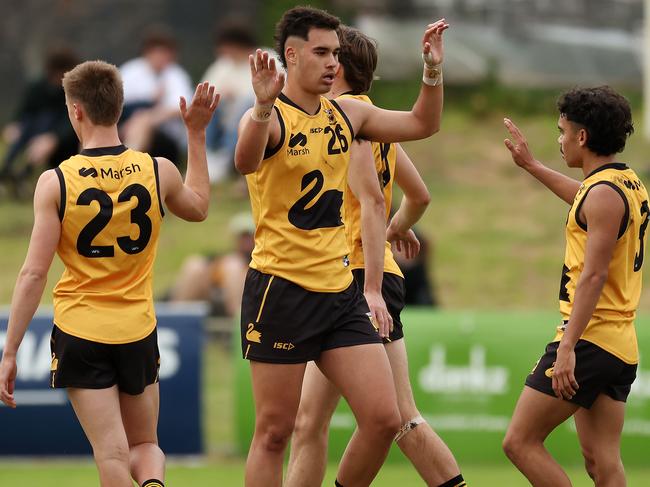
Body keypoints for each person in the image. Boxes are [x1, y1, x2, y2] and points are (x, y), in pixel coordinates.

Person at [234, 6, 448, 487]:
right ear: (291, 54)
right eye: (322, 52)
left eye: (336, 53)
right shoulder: (270, 115)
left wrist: (432, 69)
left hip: (339, 291)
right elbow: (245, 161)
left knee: (385, 418)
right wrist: (262, 105)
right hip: (281, 289)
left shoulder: (347, 113)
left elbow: (422, 123)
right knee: (275, 432)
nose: (333, 62)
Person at [0, 60, 219, 487]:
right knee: (144, 445)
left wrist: (10, 351)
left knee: (112, 452)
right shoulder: (158, 170)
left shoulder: (56, 182)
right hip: (137, 329)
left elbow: (32, 275)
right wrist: (196, 133)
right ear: (119, 108)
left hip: (81, 331)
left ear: (75, 111)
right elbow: (199, 207)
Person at [285, 25, 465, 487]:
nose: (322, 61)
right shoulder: (372, 118)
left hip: (358, 277)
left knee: (398, 419)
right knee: (309, 421)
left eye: (328, 54)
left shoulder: (344, 117)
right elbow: (419, 196)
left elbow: (372, 199)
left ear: (338, 66)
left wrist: (375, 255)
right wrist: (396, 231)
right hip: (358, 272)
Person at [501, 86, 645, 486]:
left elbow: (594, 276)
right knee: (602, 463)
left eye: (562, 131)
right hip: (619, 343)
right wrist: (532, 166)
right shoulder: (625, 182)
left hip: (589, 340)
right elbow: (585, 200)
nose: (560, 139)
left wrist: (567, 347)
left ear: (582, 136)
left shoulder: (601, 194)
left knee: (520, 442)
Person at [0, 45, 80, 195]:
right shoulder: (37, 87)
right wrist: (15, 125)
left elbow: (72, 122)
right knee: (32, 124)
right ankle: (8, 172)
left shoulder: (75, 91)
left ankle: (24, 174)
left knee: (46, 121)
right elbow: (25, 111)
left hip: (64, 143)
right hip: (34, 131)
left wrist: (53, 139)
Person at [119, 27, 194, 163]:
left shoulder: (176, 75)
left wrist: (148, 118)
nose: (160, 57)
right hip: (124, 127)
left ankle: (127, 167)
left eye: (165, 53)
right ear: (147, 52)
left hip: (166, 139)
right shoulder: (131, 71)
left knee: (142, 121)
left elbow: (182, 108)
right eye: (156, 52)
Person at [201, 19, 258, 182]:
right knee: (207, 103)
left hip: (250, 122)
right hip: (222, 122)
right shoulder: (222, 66)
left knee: (247, 106)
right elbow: (204, 92)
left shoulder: (266, 58)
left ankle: (226, 157)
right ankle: (211, 156)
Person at [167, 211, 255, 317]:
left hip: (244, 294)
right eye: (242, 236)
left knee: (233, 266)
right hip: (213, 290)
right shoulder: (225, 256)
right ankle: (174, 319)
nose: (246, 240)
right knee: (194, 265)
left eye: (249, 236)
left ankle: (241, 323)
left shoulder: (259, 260)